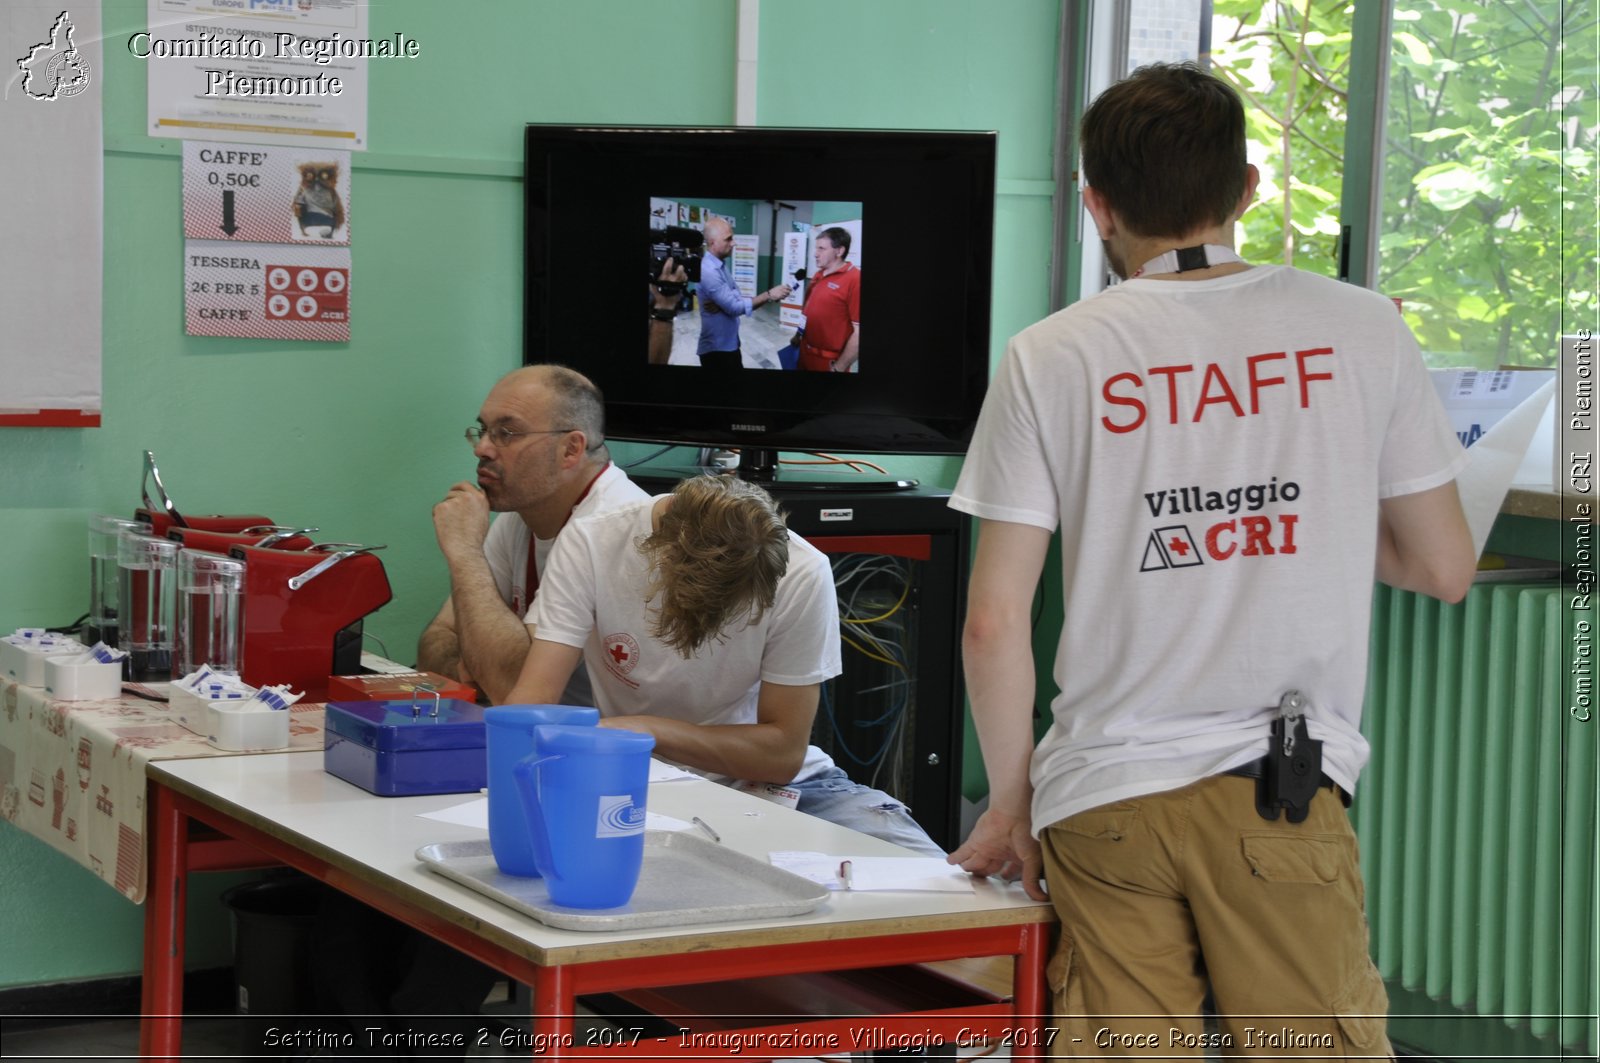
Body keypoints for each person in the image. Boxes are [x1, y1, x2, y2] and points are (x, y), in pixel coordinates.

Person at [946, 62, 1476, 1056]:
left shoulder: (1049, 355)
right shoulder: (1360, 328)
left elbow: (991, 621)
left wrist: (1011, 801)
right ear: (1247, 190)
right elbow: (1439, 566)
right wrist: (1301, 507)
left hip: (1100, 801)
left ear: (1096, 205)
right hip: (1272, 792)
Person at [502, 474, 943, 856]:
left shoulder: (804, 571)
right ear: (659, 558)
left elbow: (783, 753)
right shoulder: (592, 542)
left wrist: (644, 730)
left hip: (771, 786)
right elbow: (534, 700)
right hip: (633, 780)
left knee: (945, 887)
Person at [418, 364, 647, 705]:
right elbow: (434, 641)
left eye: (506, 433)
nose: (481, 448)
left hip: (636, 751)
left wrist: (465, 553)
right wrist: (481, 669)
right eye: (482, 430)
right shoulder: (522, 515)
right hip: (556, 739)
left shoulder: (611, 529)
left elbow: (516, 692)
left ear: (571, 450)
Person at [696, 217, 790, 370]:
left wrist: (723, 305)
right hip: (717, 350)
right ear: (712, 242)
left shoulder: (720, 265)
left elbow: (737, 295)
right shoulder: (709, 271)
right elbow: (735, 307)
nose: (734, 243)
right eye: (728, 239)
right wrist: (769, 294)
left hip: (729, 342)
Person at [797, 227, 860, 373]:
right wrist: (798, 334)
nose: (815, 254)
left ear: (839, 251)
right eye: (816, 248)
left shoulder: (855, 279)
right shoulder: (819, 274)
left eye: (821, 249)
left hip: (828, 362)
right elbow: (808, 310)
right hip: (804, 353)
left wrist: (839, 368)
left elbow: (859, 334)